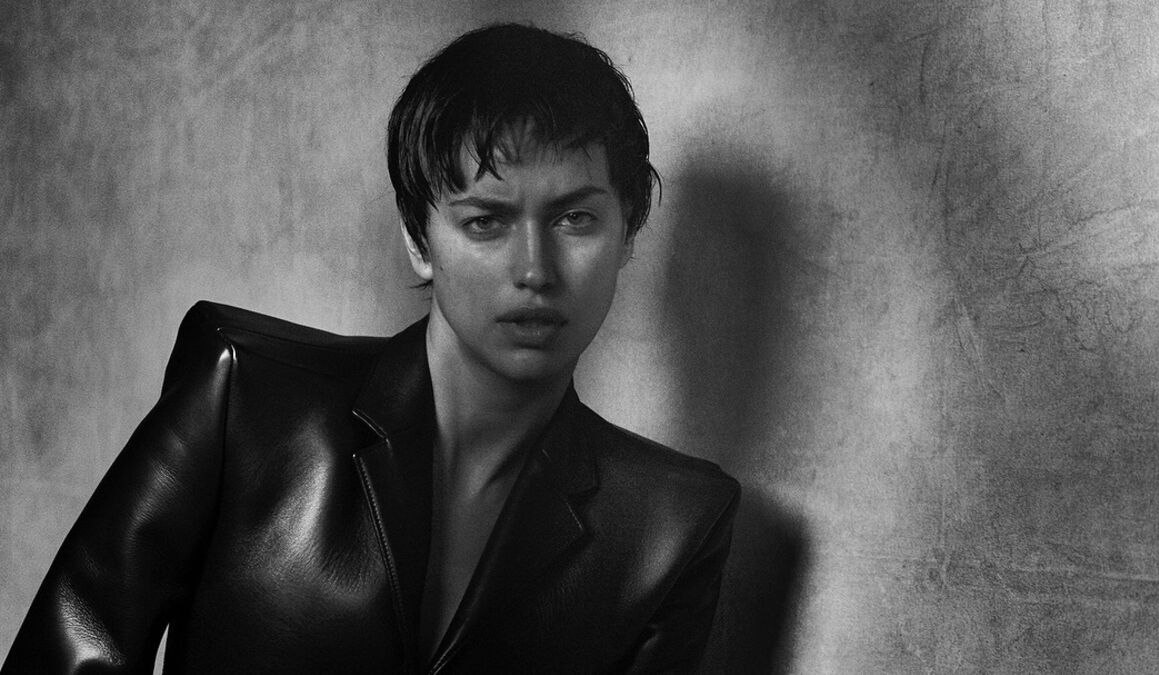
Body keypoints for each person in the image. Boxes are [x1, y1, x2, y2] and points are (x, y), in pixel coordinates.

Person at [3, 23, 740, 674]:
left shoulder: (672, 525)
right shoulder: (244, 397)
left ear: (628, 232)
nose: (534, 270)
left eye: (575, 218)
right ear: (419, 240)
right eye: (485, 221)